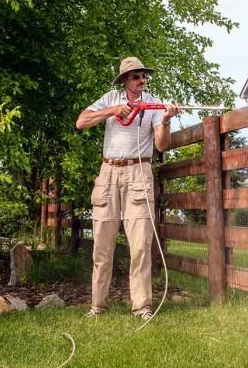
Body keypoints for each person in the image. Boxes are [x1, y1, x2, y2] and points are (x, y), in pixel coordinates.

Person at [76, 57, 180, 319]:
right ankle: (98, 306)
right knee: (102, 245)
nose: (141, 80)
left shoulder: (155, 104)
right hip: (108, 173)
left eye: (144, 75)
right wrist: (112, 111)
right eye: (135, 76)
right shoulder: (110, 98)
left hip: (138, 172)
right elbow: (81, 122)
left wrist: (166, 121)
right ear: (124, 79)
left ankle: (142, 307)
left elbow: (162, 145)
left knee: (141, 245)